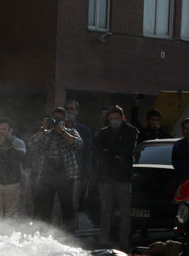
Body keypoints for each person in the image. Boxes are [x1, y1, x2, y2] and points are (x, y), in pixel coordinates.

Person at [92, 104, 138, 248]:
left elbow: (128, 151)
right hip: (106, 177)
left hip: (123, 178)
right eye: (111, 118)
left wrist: (110, 152)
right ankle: (104, 240)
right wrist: (114, 154)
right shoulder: (103, 132)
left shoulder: (131, 131)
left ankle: (123, 242)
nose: (114, 121)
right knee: (105, 210)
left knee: (125, 211)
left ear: (122, 118)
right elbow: (98, 151)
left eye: (116, 118)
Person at [30, 106, 82, 230]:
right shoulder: (45, 133)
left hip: (66, 174)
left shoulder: (71, 131)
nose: (57, 121)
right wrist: (44, 128)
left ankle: (70, 235)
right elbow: (32, 145)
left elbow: (79, 144)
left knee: (67, 206)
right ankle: (45, 235)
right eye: (55, 118)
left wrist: (62, 132)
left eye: (60, 119)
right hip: (47, 174)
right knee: (45, 207)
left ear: (64, 120)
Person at [0, 118, 27, 218]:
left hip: (13, 183)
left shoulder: (18, 143)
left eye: (4, 129)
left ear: (10, 130)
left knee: (12, 214)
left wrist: (10, 148)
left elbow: (21, 158)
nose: (1, 132)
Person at [65, 99, 94, 214]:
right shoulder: (57, 128)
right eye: (67, 109)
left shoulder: (84, 131)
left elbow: (87, 154)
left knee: (74, 205)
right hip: (58, 175)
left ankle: (71, 231)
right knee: (57, 207)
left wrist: (87, 175)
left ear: (77, 112)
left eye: (72, 109)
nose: (69, 112)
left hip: (76, 176)